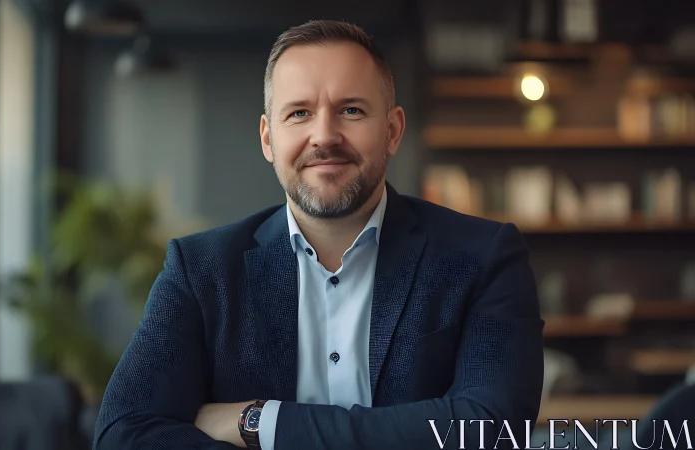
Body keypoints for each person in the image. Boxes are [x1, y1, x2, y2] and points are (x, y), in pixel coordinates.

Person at [93, 19, 544, 450]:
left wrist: (260, 422)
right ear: (268, 139)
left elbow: (492, 429)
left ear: (392, 131)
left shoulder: (483, 256)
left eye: (351, 110)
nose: (324, 135)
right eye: (299, 113)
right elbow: (123, 434)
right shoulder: (201, 269)